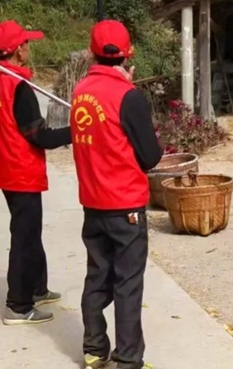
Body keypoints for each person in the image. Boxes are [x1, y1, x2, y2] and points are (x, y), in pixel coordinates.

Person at [70, 20, 163, 369]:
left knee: (97, 275)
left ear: (92, 52)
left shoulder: (80, 91)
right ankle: (127, 358)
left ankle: (94, 349)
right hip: (125, 204)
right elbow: (150, 156)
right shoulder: (128, 96)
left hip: (92, 202)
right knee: (127, 282)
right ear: (127, 55)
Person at [0, 20, 72, 325]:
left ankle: (37, 288)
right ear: (18, 50)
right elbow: (40, 136)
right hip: (20, 171)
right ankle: (18, 306)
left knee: (31, 230)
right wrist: (77, 130)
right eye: (27, 43)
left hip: (4, 169)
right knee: (24, 237)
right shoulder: (18, 86)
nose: (29, 47)